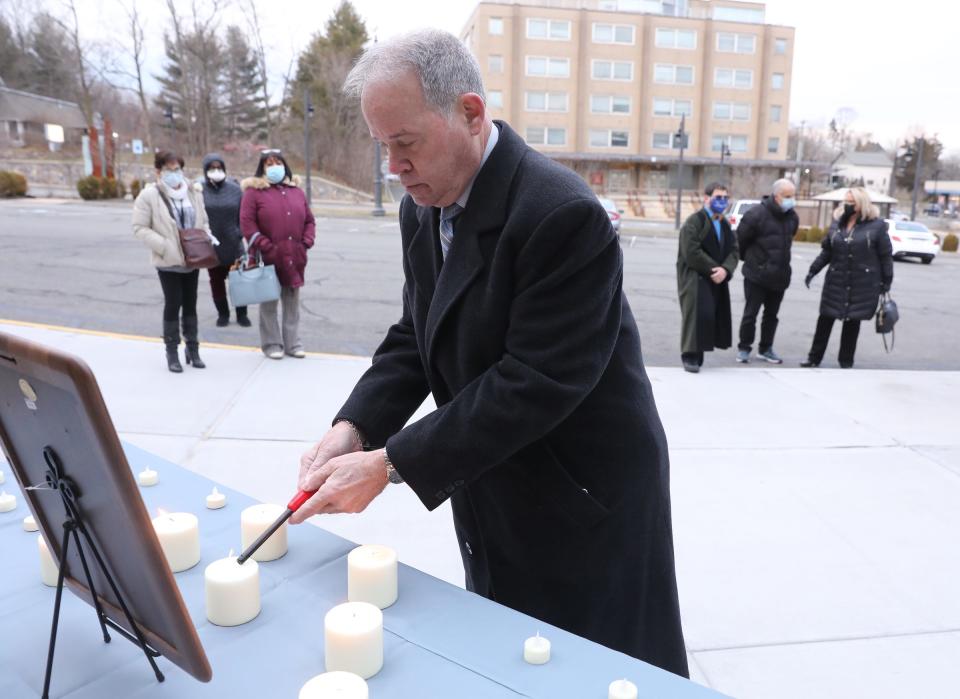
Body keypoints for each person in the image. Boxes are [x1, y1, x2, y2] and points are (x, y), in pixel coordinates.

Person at [288, 30, 688, 678]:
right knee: (511, 652)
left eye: (406, 143)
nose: (394, 167)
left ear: (471, 114)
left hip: (579, 490)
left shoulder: (561, 214)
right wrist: (351, 428)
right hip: (493, 470)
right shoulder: (421, 211)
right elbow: (416, 335)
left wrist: (388, 463)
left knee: (593, 666)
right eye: (382, 146)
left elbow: (533, 383)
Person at [132, 151, 210, 372]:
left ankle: (193, 349)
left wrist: (206, 237)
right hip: (168, 260)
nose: (174, 174)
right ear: (158, 171)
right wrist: (164, 246)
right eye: (169, 170)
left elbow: (202, 219)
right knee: (173, 303)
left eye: (177, 169)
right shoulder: (149, 195)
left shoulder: (193, 191)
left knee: (191, 304)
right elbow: (139, 227)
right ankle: (172, 351)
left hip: (193, 257)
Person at [801, 187, 893, 368]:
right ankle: (813, 358)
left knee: (852, 322)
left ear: (861, 204)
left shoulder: (877, 226)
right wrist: (813, 270)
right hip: (836, 279)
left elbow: (885, 256)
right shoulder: (837, 223)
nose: (847, 205)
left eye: (851, 202)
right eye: (846, 201)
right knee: (825, 319)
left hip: (862, 282)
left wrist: (886, 281)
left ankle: (846, 361)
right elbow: (827, 252)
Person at [239, 149, 315, 359]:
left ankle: (293, 343)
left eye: (278, 163)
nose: (274, 167)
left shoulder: (296, 192)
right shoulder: (254, 193)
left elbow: (309, 220)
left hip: (295, 256)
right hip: (268, 257)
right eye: (269, 164)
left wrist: (306, 241)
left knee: (292, 303)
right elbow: (247, 223)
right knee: (269, 304)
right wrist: (263, 244)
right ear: (263, 168)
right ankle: (272, 344)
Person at [676, 182, 739, 373]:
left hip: (716, 277)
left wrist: (725, 270)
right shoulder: (695, 221)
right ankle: (690, 356)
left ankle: (699, 355)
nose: (722, 201)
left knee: (709, 315)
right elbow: (691, 252)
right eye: (718, 197)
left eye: (725, 198)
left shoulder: (724, 223)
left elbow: (734, 250)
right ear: (706, 198)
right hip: (695, 277)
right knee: (696, 315)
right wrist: (715, 269)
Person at [735, 178, 799, 364]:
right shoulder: (756, 214)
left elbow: (789, 240)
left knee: (771, 316)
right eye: (787, 196)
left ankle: (766, 348)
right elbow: (740, 241)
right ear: (776, 196)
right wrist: (755, 262)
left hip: (780, 276)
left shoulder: (792, 217)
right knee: (750, 314)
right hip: (757, 275)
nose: (791, 200)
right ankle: (744, 347)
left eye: (793, 196)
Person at [200, 153, 249, 328]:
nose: (216, 171)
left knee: (240, 282)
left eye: (219, 168)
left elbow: (244, 215)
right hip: (212, 246)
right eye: (212, 168)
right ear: (206, 171)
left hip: (234, 244)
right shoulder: (200, 190)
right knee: (216, 281)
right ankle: (223, 314)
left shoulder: (235, 189)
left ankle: (242, 314)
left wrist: (239, 232)